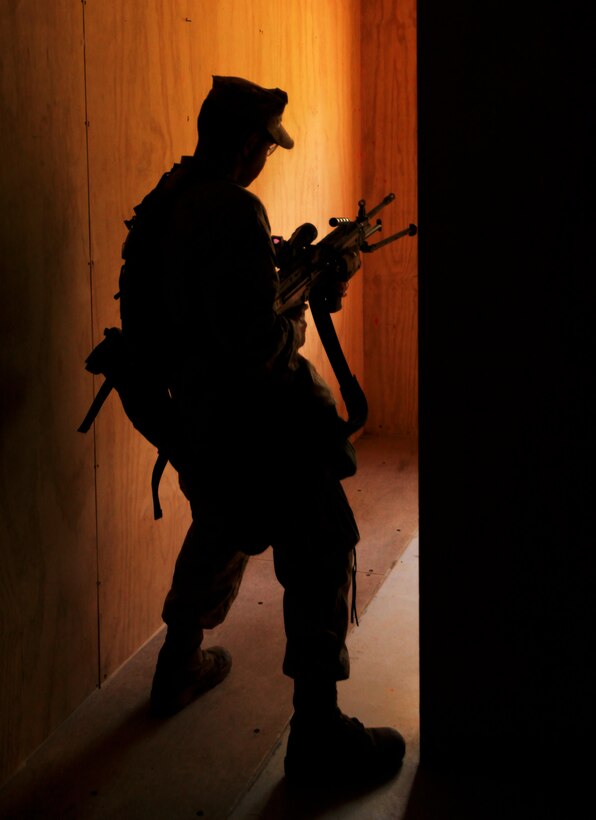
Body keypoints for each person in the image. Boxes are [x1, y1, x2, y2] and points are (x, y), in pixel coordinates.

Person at [122, 75, 405, 786]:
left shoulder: (169, 199)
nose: (266, 161)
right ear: (248, 143)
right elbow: (258, 346)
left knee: (220, 524)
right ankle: (317, 732)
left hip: (191, 412)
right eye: (266, 150)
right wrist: (312, 302)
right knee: (322, 540)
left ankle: (179, 661)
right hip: (253, 421)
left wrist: (292, 283)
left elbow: (204, 309)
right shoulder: (235, 211)